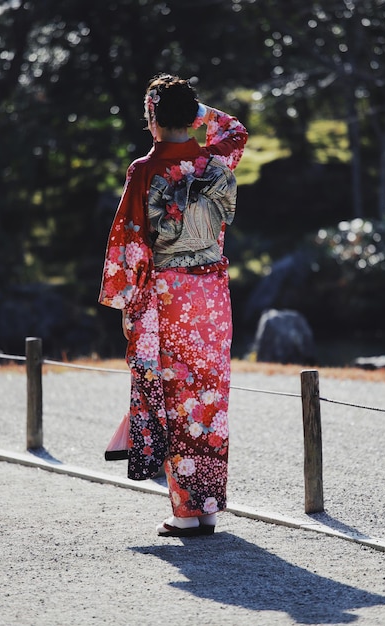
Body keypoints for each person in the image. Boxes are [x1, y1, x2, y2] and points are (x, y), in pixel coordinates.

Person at [99, 73, 248, 537]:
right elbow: (236, 130)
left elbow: (131, 244)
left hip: (168, 295)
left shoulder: (146, 170)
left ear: (151, 118)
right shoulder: (218, 161)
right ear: (191, 116)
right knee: (209, 399)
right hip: (213, 294)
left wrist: (130, 305)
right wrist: (197, 112)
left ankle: (186, 513)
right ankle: (206, 506)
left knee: (177, 400)